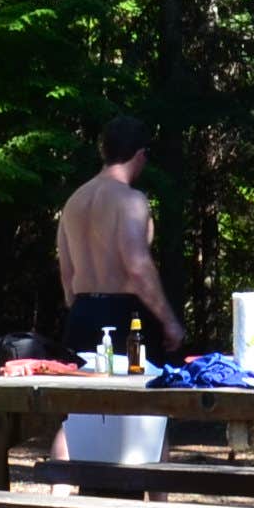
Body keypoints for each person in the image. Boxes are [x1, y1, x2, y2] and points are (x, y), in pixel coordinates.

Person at [54, 115, 184, 361]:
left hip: (80, 315)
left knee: (78, 386)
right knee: (134, 386)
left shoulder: (74, 201)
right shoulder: (130, 200)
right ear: (141, 154)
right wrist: (170, 322)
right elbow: (137, 266)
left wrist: (83, 310)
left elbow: (67, 273)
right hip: (122, 317)